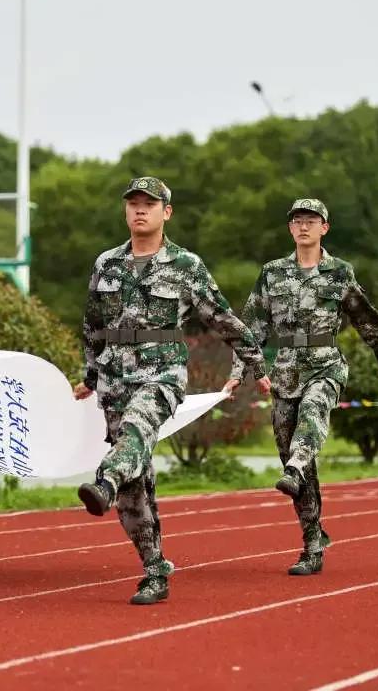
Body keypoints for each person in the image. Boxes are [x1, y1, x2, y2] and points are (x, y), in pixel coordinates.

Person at [73, 177, 270, 604]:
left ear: (167, 212)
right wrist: (89, 377)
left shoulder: (185, 266)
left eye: (150, 203)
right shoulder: (106, 263)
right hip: (113, 380)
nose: (140, 210)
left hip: (161, 374)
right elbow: (91, 326)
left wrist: (256, 363)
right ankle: (154, 568)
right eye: (134, 204)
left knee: (136, 431)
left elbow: (223, 318)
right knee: (135, 486)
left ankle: (103, 481)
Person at [223, 198, 378, 576]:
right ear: (290, 229)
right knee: (291, 456)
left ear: (324, 228)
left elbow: (363, 314)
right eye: (297, 221)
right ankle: (312, 540)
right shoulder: (272, 273)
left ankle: (297, 466)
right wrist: (240, 371)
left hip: (326, 365)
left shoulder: (339, 272)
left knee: (313, 415)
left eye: (311, 221)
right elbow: (251, 326)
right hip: (285, 372)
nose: (303, 226)